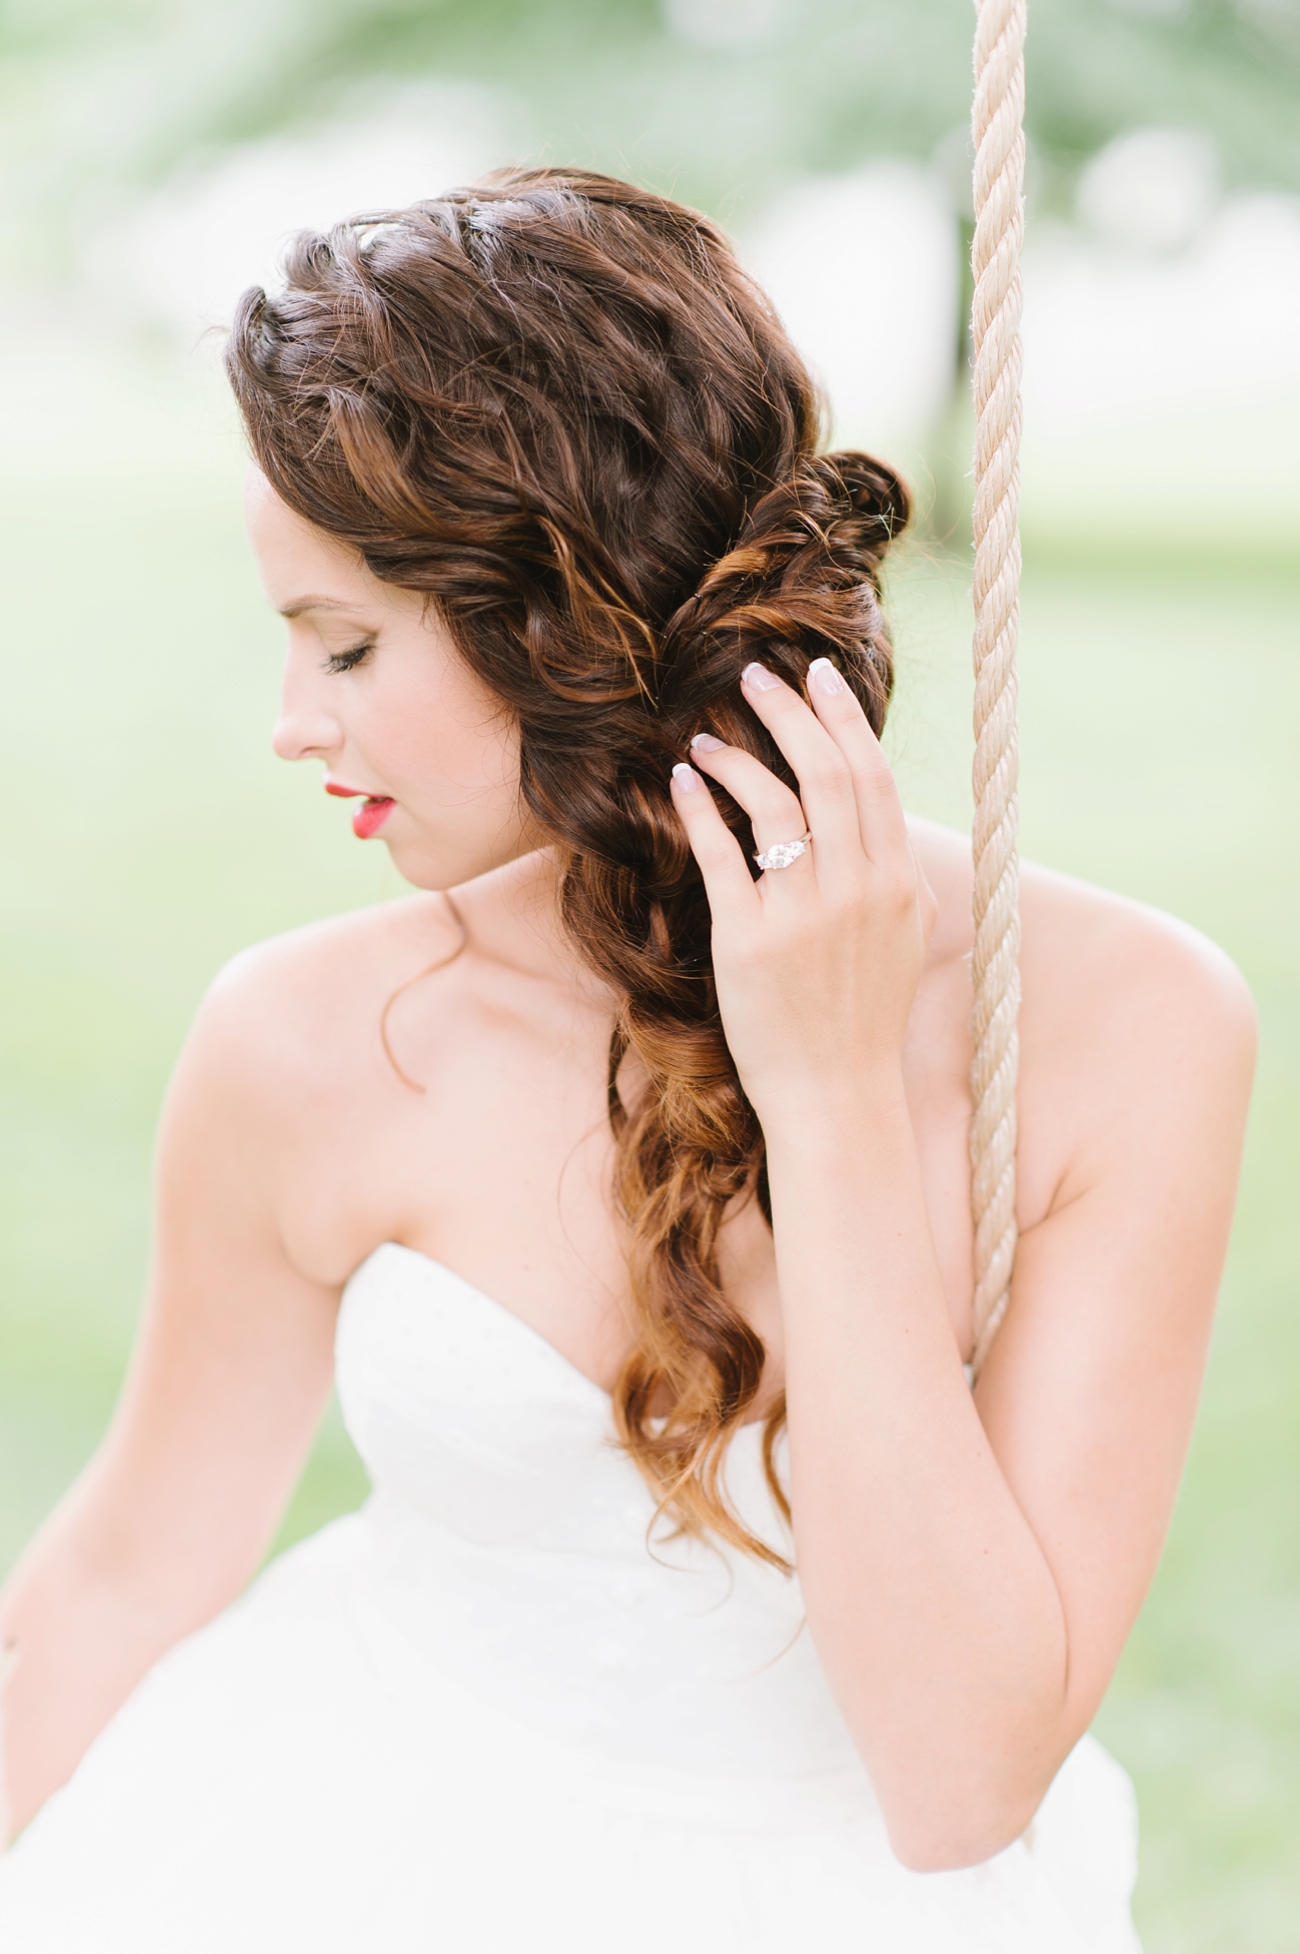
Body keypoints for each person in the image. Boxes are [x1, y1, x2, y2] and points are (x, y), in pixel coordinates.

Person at [0, 169, 1253, 1952]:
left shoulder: (1125, 1025)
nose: (295, 724)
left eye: (346, 645)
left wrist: (822, 1098)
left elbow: (962, 1778)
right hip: (343, 1849)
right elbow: (135, 1558)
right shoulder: (304, 1039)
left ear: (563, 625)